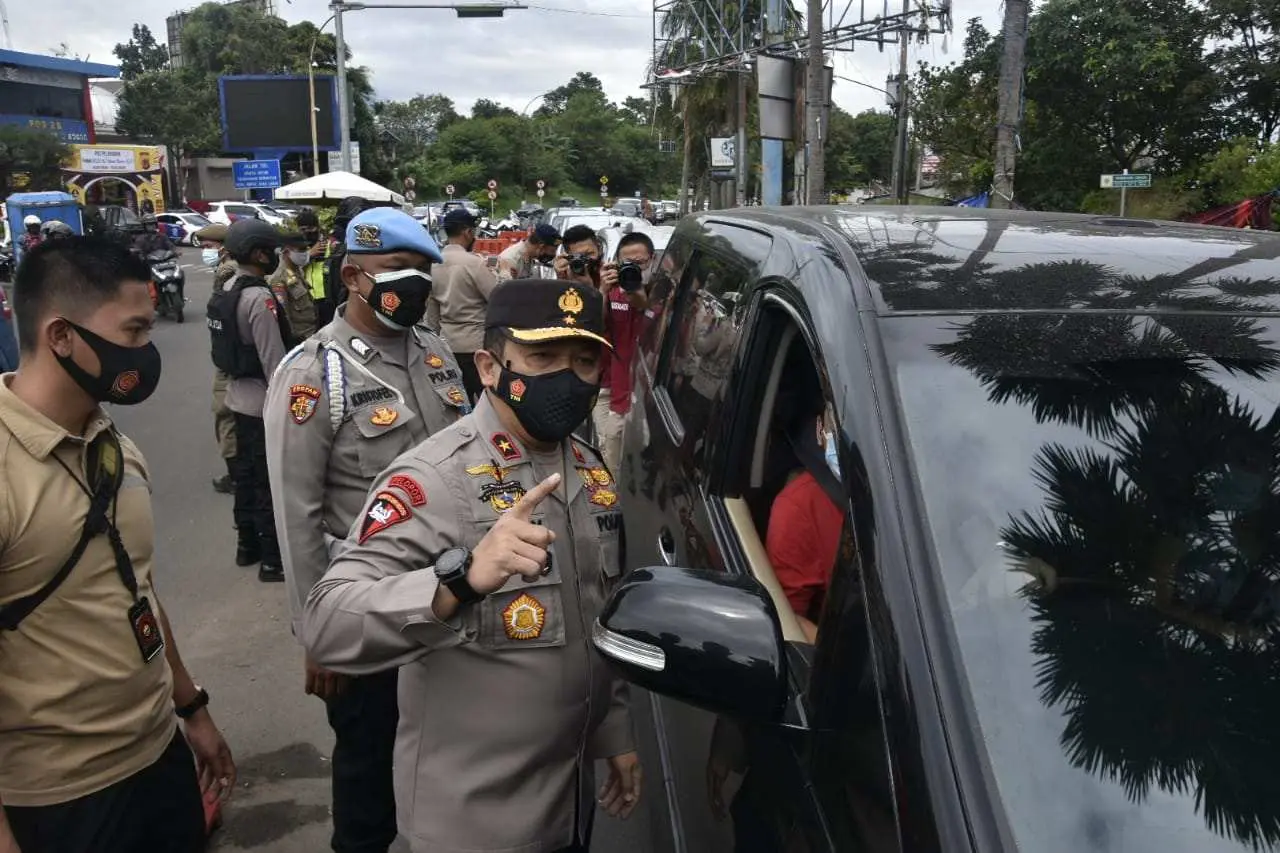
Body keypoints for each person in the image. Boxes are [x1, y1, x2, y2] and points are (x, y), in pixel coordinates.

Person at [303, 277, 643, 853]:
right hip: (473, 821)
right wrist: (455, 582)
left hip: (569, 801)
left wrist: (615, 732)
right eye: (542, 357)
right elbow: (326, 621)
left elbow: (596, 613)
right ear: (489, 367)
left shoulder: (588, 469)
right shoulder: (434, 478)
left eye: (585, 361)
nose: (567, 378)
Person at [0, 236, 236, 853]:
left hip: (157, 757)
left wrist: (191, 708)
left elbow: (138, 586)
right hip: (58, 797)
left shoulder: (112, 445)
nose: (146, 351)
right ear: (61, 336)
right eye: (133, 331)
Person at [267, 207, 467, 853]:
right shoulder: (312, 373)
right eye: (397, 269)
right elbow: (296, 512)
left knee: (447, 764)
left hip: (450, 595)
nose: (415, 283)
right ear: (353, 276)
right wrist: (318, 633)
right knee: (368, 777)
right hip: (369, 607)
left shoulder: (435, 351)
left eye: (423, 271)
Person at [208, 218, 298, 583]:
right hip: (262, 403)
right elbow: (274, 361)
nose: (274, 255)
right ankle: (273, 561)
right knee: (267, 482)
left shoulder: (228, 287)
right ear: (259, 253)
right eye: (270, 250)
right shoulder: (259, 298)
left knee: (244, 478)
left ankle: (247, 546)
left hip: (236, 397)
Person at [591, 230, 652, 474]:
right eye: (627, 263)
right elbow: (595, 327)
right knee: (607, 449)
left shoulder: (662, 293)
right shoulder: (613, 290)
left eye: (640, 263)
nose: (634, 268)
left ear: (652, 261)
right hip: (611, 385)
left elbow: (647, 310)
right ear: (616, 262)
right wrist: (603, 290)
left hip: (641, 393)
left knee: (632, 457)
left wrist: (639, 293)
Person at [428, 207, 499, 402]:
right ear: (468, 232)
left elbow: (432, 314)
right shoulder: (473, 263)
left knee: (459, 401)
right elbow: (495, 298)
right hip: (477, 344)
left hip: (448, 346)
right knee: (488, 401)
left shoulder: (433, 264)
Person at [195, 223, 240, 495]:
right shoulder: (228, 267)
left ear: (223, 246)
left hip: (230, 359)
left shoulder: (228, 270)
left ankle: (236, 477)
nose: (205, 251)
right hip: (231, 355)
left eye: (208, 246)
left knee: (225, 416)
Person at [270, 235, 320, 340]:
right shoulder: (279, 278)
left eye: (306, 249)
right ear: (287, 252)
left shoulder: (298, 270)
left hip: (312, 330)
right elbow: (284, 315)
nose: (305, 253)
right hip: (300, 337)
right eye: (301, 250)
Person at [295, 209, 331, 323]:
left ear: (318, 227)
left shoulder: (329, 245)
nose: (307, 232)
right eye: (303, 229)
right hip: (306, 300)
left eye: (311, 228)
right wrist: (308, 255)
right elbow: (289, 271)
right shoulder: (296, 249)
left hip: (327, 299)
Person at [496, 223, 560, 281]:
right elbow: (505, 288)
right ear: (541, 246)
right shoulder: (510, 259)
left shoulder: (529, 256)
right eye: (552, 251)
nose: (553, 254)